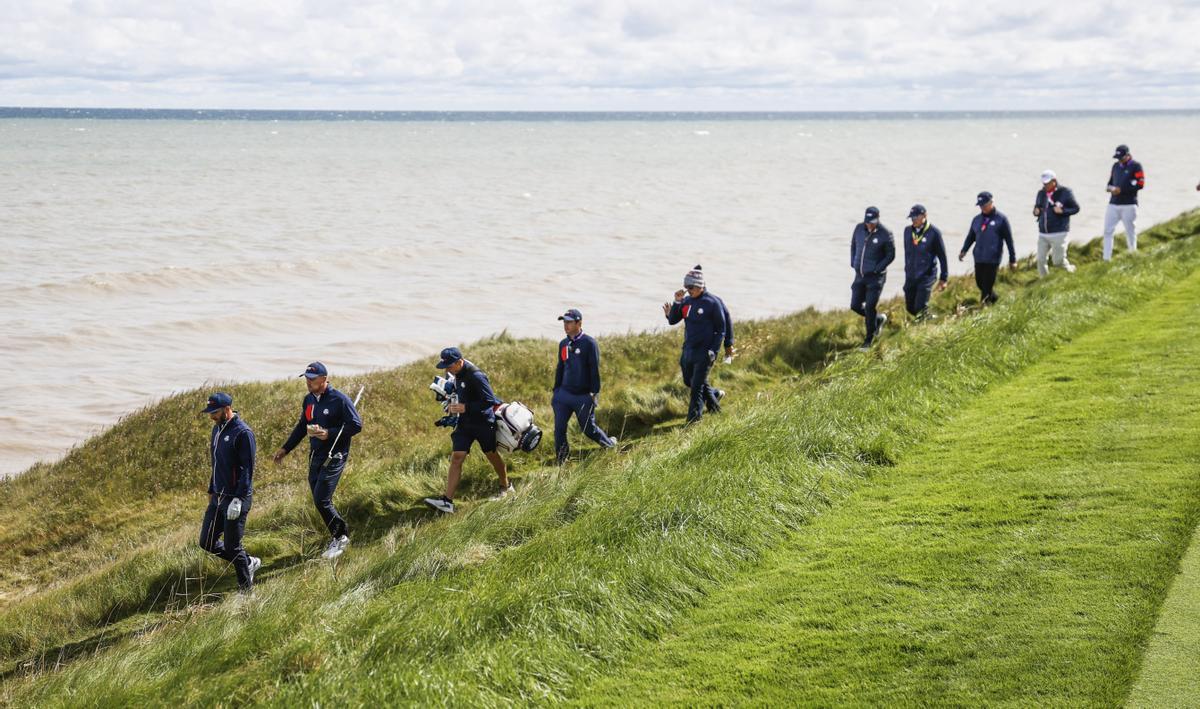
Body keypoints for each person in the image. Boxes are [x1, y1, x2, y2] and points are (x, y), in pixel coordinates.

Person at [272, 362, 362, 560]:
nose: (308, 382)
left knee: (322, 498)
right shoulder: (309, 401)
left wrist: (328, 433)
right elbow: (302, 426)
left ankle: (341, 537)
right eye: (306, 378)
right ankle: (338, 534)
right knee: (319, 500)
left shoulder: (339, 400)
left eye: (312, 379)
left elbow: (356, 425)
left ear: (324, 379)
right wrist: (285, 449)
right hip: (315, 456)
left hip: (335, 456)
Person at [423, 347, 511, 514]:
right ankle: (447, 501)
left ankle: (506, 486)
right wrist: (451, 404)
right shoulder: (456, 374)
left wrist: (466, 407)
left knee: (491, 454)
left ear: (459, 362)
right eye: (445, 366)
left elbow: (490, 401)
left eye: (449, 366)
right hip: (465, 424)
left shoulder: (476, 376)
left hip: (483, 423)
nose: (447, 370)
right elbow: (459, 392)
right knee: (457, 457)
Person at [199, 392, 261, 592]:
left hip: (236, 499)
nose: (211, 416)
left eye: (214, 412)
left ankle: (246, 591)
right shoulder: (216, 430)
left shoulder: (243, 433)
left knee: (232, 547)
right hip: (218, 497)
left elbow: (248, 469)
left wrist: (239, 499)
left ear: (227, 409)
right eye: (210, 412)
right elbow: (216, 464)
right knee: (207, 541)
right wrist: (211, 489)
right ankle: (248, 561)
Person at [552, 309, 617, 464]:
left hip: (583, 396)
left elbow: (594, 369)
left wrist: (594, 393)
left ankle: (609, 446)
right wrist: (556, 391)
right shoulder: (564, 343)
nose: (566, 325)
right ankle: (562, 461)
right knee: (559, 430)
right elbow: (560, 367)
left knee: (588, 429)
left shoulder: (589, 343)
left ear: (579, 323)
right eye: (564, 322)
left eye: (569, 322)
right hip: (563, 396)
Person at [663, 265, 726, 424]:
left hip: (705, 353)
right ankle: (715, 405)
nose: (688, 290)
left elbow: (721, 330)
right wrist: (677, 303)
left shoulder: (712, 303)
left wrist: (713, 350)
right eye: (686, 287)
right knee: (688, 382)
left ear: (700, 285)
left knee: (697, 388)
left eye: (690, 287)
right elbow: (673, 320)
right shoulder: (686, 302)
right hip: (688, 350)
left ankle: (693, 421)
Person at [959, 192, 1016, 304]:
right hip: (979, 256)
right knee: (980, 283)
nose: (982, 208)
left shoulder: (1001, 219)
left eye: (984, 205)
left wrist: (1012, 259)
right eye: (980, 205)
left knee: (986, 285)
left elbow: (1009, 240)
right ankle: (994, 299)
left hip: (993, 258)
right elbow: (971, 236)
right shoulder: (976, 220)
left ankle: (984, 308)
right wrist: (964, 250)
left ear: (991, 203)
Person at [850, 206, 895, 349]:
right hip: (860, 275)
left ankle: (868, 340)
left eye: (872, 221)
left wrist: (877, 268)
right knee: (855, 305)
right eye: (867, 221)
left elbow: (890, 255)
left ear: (877, 219)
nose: (869, 224)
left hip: (876, 278)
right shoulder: (858, 229)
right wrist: (853, 261)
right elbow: (853, 245)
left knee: (869, 307)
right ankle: (878, 320)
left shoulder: (885, 234)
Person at [901, 204, 948, 319]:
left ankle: (924, 325)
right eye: (911, 218)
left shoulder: (934, 233)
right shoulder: (907, 231)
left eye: (916, 217)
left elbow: (942, 256)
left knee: (919, 306)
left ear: (924, 216)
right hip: (911, 275)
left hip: (927, 275)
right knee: (910, 307)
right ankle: (928, 317)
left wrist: (944, 278)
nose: (913, 220)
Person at [1032, 170, 1080, 277]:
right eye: (1043, 183)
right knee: (1040, 260)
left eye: (1047, 183)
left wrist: (1063, 211)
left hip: (1059, 232)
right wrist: (1036, 212)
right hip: (1043, 233)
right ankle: (1044, 281)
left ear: (1054, 181)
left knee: (1058, 261)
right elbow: (1037, 207)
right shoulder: (1041, 193)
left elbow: (1076, 208)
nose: (1045, 185)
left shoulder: (1065, 192)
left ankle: (1071, 272)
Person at [1103, 144, 1145, 260]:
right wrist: (1111, 189)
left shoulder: (1136, 166)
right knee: (1107, 231)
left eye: (1121, 157)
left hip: (1129, 204)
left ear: (1127, 155)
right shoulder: (1115, 166)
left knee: (1130, 231)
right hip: (1113, 203)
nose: (1119, 160)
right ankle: (1106, 259)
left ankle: (1133, 253)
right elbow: (1110, 183)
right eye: (1117, 158)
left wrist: (1122, 190)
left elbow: (1140, 184)